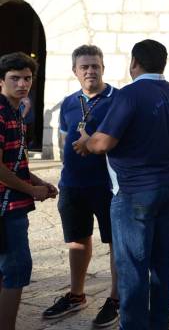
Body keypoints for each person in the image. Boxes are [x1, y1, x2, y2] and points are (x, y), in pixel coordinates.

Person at [74, 40, 169, 329]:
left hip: (135, 190)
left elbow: (103, 142)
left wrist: (86, 143)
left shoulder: (129, 94)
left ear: (134, 63)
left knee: (132, 268)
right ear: (163, 64)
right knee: (163, 264)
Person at [42, 45, 120, 326]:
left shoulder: (119, 100)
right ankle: (76, 296)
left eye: (95, 66)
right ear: (75, 71)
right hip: (74, 185)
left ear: (103, 67)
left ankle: (115, 299)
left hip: (109, 187)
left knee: (116, 243)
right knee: (77, 240)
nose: (90, 71)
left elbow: (125, 141)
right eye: (84, 67)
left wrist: (94, 144)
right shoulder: (69, 103)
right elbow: (65, 142)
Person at [0, 52, 57, 330]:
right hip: (5, 207)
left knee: (7, 270)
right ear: (2, 81)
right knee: (17, 269)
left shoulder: (16, 113)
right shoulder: (0, 113)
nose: (22, 84)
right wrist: (29, 190)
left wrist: (38, 183)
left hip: (13, 204)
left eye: (27, 78)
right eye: (15, 78)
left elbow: (16, 162)